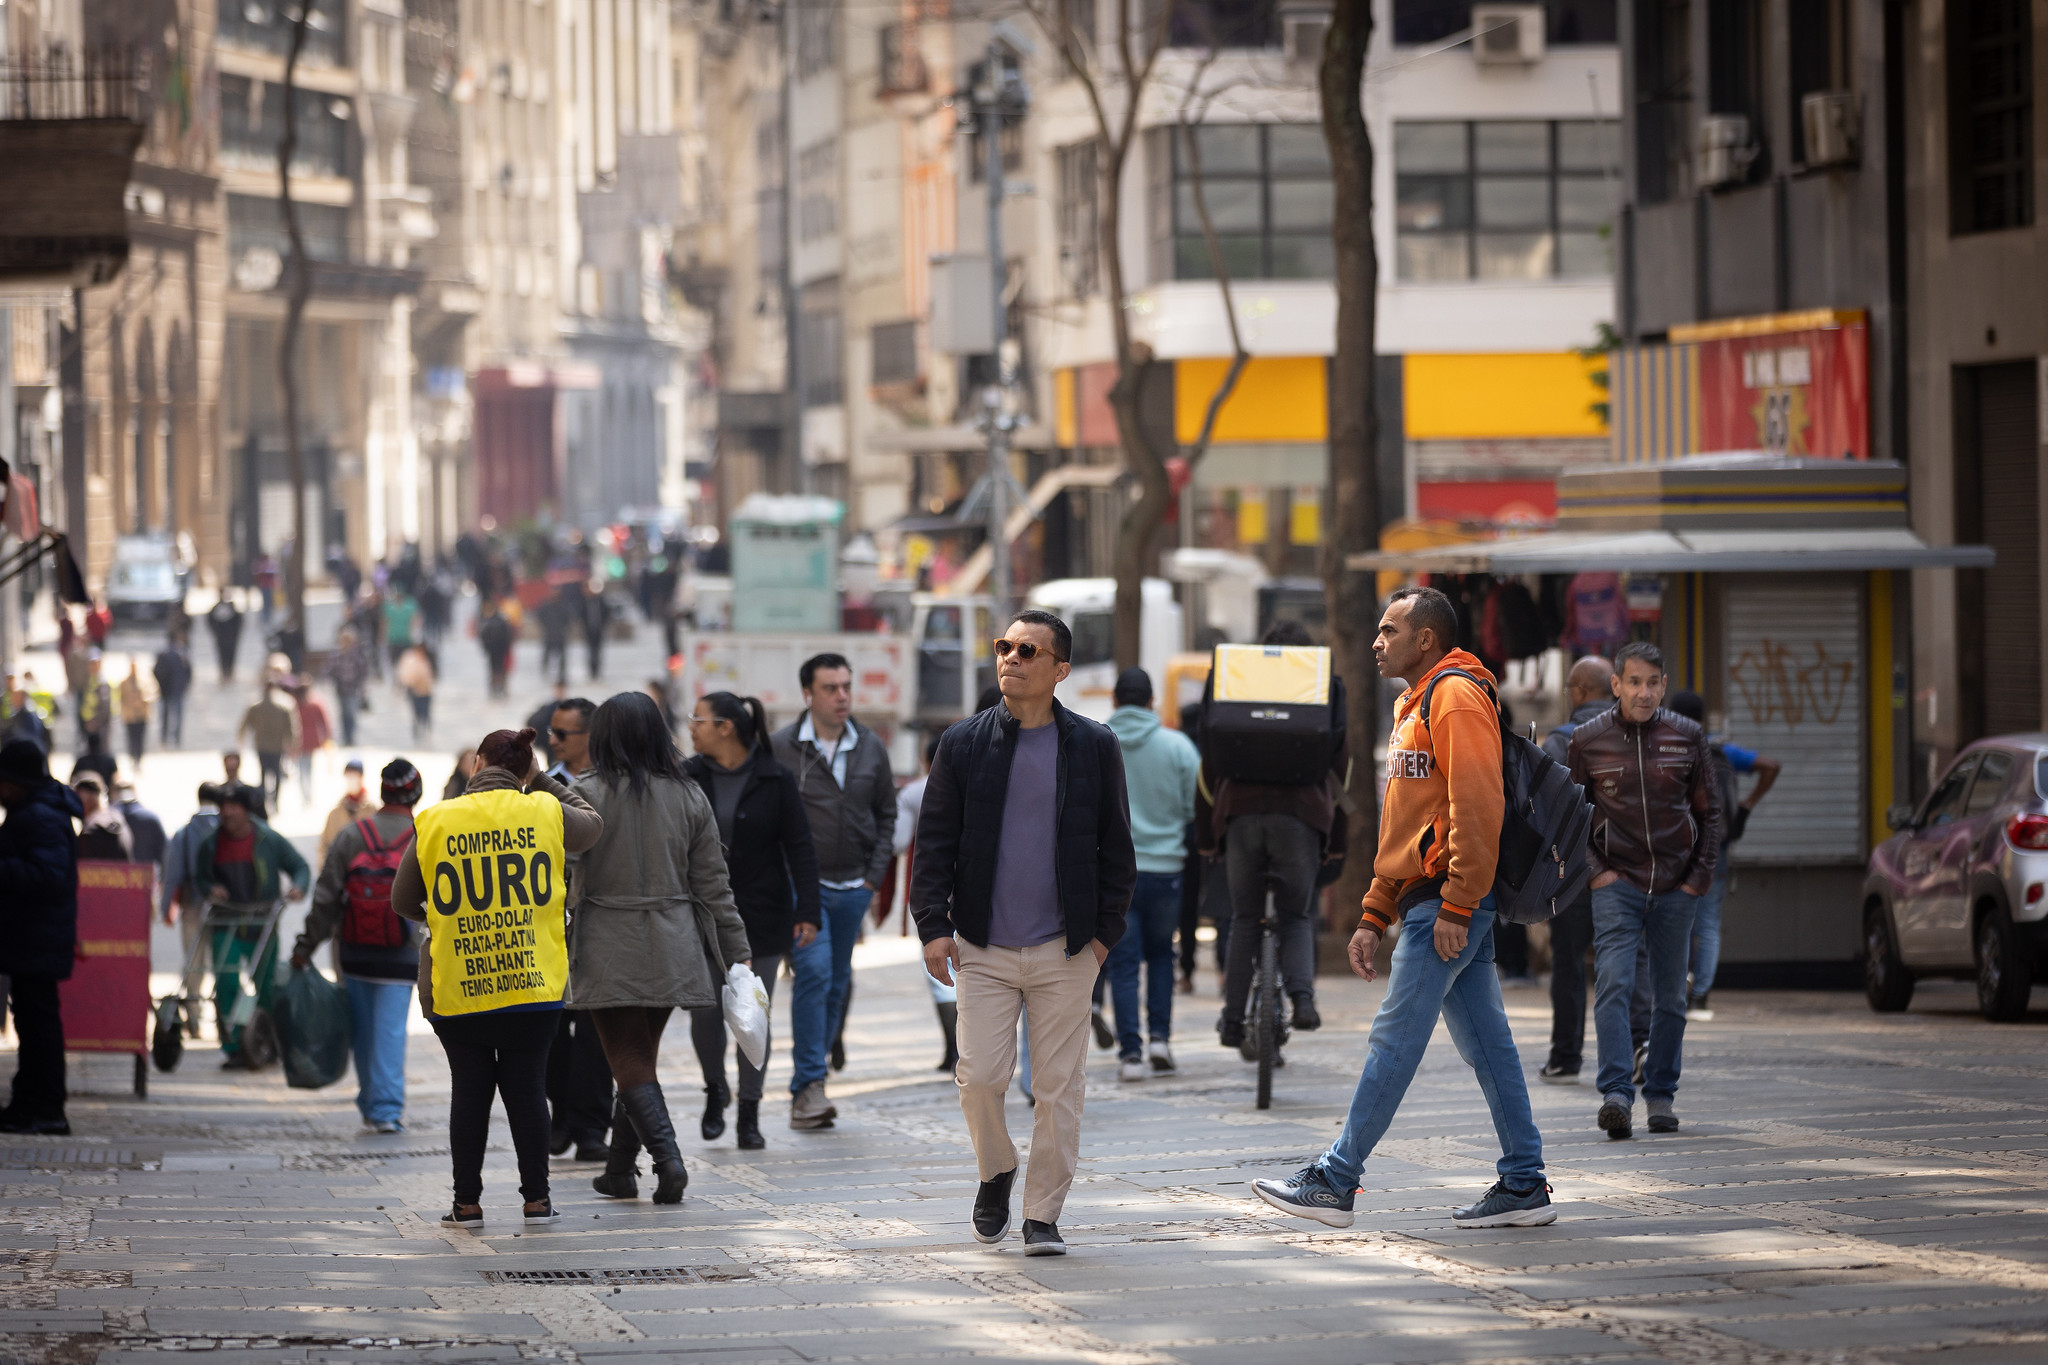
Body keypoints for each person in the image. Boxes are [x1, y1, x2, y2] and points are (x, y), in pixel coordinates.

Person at [1253, 586, 1553, 1230]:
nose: (1375, 642)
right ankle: (1524, 1182)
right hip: (1430, 900)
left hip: (1446, 905)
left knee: (1394, 1038)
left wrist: (1459, 901)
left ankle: (1336, 1179)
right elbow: (1405, 823)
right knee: (1490, 1046)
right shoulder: (1413, 705)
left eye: (1389, 631)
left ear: (1425, 639)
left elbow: (1478, 805)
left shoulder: (1454, 696)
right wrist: (1372, 912)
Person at [913, 609, 1136, 1256]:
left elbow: (1116, 850)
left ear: (1060, 670)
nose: (1010, 657)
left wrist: (1101, 939)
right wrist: (933, 925)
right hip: (982, 945)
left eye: (1028, 650)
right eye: (1005, 646)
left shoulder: (1095, 745)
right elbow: (934, 841)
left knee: (1059, 1087)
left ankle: (1042, 1213)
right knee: (979, 1076)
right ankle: (996, 1169)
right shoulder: (962, 743)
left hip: (1067, 948)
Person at [391, 728, 602, 1227]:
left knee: (469, 1092)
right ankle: (537, 1200)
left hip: (460, 985)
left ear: (477, 762)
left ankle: (466, 1204)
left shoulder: (435, 820)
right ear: (524, 767)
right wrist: (542, 781)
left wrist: (449, 914)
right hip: (534, 983)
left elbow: (402, 901)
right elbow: (592, 826)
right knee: (528, 1090)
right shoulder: (545, 811)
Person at [570, 693, 750, 1204]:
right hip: (674, 942)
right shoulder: (689, 795)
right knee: (640, 1058)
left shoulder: (581, 796)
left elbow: (558, 876)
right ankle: (619, 1172)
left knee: (626, 1058)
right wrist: (737, 950)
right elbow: (715, 884)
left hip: (607, 942)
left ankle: (669, 1162)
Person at [1568, 641, 1720, 1139]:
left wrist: (1697, 879)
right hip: (1617, 882)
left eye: (1653, 682)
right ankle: (1616, 1093)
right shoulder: (1589, 740)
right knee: (1613, 982)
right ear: (1616, 685)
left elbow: (1708, 813)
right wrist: (1596, 872)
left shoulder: (1687, 737)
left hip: (1677, 887)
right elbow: (1572, 818)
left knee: (1672, 996)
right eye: (1634, 682)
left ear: (1663, 685)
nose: (1644, 692)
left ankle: (1660, 1094)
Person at [1201, 621, 1350, 1048]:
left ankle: (1232, 1021)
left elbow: (1208, 763)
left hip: (1239, 815)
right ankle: (1302, 1001)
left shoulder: (1235, 679)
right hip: (1302, 817)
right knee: (1297, 916)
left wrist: (1208, 836)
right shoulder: (1325, 686)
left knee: (1245, 918)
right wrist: (1335, 842)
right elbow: (1342, 771)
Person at [684, 692, 820, 1150]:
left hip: (762, 915)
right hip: (700, 916)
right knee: (704, 1009)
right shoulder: (688, 776)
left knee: (751, 1016)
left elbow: (799, 847)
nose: (690, 727)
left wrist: (808, 912)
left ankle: (749, 1111)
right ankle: (714, 1088)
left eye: (698, 720)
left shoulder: (774, 777)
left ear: (726, 727)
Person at [769, 653, 896, 1130]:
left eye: (846, 686)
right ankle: (808, 1086)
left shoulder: (869, 746)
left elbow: (886, 815)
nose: (841, 696)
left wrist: (871, 878)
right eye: (830, 688)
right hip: (806, 890)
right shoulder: (782, 748)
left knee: (837, 984)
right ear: (808, 694)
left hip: (853, 889)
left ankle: (812, 1080)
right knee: (815, 976)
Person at [292, 759, 426, 1133]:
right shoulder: (424, 835)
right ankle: (385, 1109)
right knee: (389, 1030)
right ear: (416, 793)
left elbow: (325, 897)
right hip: (403, 954)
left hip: (353, 951)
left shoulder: (352, 835)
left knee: (363, 1030)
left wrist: (305, 946)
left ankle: (370, 1102)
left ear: (382, 792)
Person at [1104, 667, 1200, 1082]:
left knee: (1123, 962)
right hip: (1167, 871)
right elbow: (1194, 805)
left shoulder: (1096, 741)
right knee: (1163, 955)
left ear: (1115, 700)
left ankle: (1131, 1055)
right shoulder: (1177, 746)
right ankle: (1160, 1039)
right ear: (1150, 702)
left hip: (1116, 874)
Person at [1666, 690, 1780, 1021]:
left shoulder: (1666, 748)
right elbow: (1771, 765)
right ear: (1703, 718)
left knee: (1676, 919)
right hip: (1716, 848)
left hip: (1676, 849)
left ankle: (1677, 988)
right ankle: (1701, 996)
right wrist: (1746, 805)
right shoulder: (1723, 752)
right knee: (1709, 921)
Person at [539, 696, 613, 1162]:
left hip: (599, 922)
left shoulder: (610, 786)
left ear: (589, 736)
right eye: (552, 732)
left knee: (594, 1031)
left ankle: (591, 1127)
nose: (553, 741)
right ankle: (560, 1114)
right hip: (548, 925)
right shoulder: (543, 788)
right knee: (547, 1027)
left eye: (562, 734)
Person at [1536, 655, 1616, 1085]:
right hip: (1630, 871)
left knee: (1568, 963)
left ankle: (1566, 1056)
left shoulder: (1560, 741)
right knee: (1625, 960)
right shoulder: (1635, 734)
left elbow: (1542, 809)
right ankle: (1636, 1048)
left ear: (1581, 691)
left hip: (1573, 873)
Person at [195, 783, 311, 1067]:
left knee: (266, 985)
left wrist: (298, 887)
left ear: (246, 811)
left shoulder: (268, 839)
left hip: (262, 923)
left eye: (234, 807)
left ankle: (265, 1039)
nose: (227, 813)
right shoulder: (211, 843)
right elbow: (200, 877)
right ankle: (234, 1046)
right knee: (226, 980)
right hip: (226, 922)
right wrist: (211, 888)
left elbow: (300, 866)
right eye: (224, 807)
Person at [0, 739, 82, 1134]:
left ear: (17, 782)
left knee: (39, 1025)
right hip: (30, 937)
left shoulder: (40, 816)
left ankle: (47, 1108)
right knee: (31, 1024)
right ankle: (28, 1104)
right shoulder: (34, 811)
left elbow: (49, 877)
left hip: (38, 937)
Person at [894, 735, 958, 1072]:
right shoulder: (974, 777)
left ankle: (953, 1049)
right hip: (976, 893)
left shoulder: (914, 792)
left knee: (941, 974)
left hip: (934, 893)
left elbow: (899, 840)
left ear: (924, 759)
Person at [237, 685, 299, 816]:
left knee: (263, 774)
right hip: (277, 746)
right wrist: (293, 744)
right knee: (277, 774)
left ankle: (264, 801)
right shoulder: (284, 704)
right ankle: (275, 802)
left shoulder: (256, 705)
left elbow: (246, 723)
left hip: (262, 745)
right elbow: (292, 727)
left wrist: (241, 737)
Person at [321, 758, 374, 864]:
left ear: (361, 777)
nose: (351, 780)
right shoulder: (335, 814)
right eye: (348, 776)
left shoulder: (372, 811)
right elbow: (324, 846)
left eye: (354, 776)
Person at [326, 626, 371, 749]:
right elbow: (329, 670)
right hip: (340, 689)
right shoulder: (336, 654)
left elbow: (363, 670)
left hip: (353, 689)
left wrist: (362, 686)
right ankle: (345, 737)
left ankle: (351, 737)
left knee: (351, 713)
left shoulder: (357, 655)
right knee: (343, 713)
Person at [72, 773, 132, 860]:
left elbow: (84, 869)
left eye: (76, 797)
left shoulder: (90, 830)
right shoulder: (117, 818)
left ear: (87, 797)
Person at [292, 683, 331, 803]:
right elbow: (325, 723)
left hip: (299, 741)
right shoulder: (314, 704)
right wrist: (327, 737)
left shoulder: (295, 706)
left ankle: (306, 793)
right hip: (310, 741)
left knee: (302, 768)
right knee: (307, 768)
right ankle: (307, 794)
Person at [154, 635, 192, 749]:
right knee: (177, 714)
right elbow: (188, 672)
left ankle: (164, 738)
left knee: (165, 715)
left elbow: (156, 671)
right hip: (176, 689)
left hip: (166, 689)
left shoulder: (163, 655)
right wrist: (185, 685)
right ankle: (176, 738)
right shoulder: (181, 655)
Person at [0, 672, 55, 752]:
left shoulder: (26, 715)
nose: (13, 700)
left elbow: (28, 736)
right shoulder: (21, 714)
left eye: (16, 697)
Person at [117, 661, 151, 770]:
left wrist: (142, 700)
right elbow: (120, 698)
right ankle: (132, 757)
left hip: (141, 715)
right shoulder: (124, 683)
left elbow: (152, 693)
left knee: (140, 738)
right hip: (130, 716)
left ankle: (139, 758)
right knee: (131, 738)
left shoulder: (144, 681)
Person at [77, 653, 112, 760]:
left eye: (95, 664)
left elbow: (105, 706)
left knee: (100, 753)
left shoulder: (102, 682)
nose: (92, 667)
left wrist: (95, 722)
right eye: (91, 664)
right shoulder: (88, 680)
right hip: (89, 723)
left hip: (99, 726)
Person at [479, 600, 514, 700]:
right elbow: (509, 636)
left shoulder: (487, 622)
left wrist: (486, 648)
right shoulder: (503, 621)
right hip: (501, 651)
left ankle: (494, 689)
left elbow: (483, 637)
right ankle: (501, 689)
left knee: (493, 670)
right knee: (501, 670)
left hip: (493, 651)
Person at [207, 590, 244, 681]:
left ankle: (230, 672)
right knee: (221, 655)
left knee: (231, 654)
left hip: (231, 636)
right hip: (220, 636)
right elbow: (210, 620)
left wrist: (236, 633)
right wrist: (215, 631)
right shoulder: (215, 608)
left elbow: (239, 621)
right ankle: (223, 672)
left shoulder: (232, 607)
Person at [382, 589, 418, 673]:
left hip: (405, 639)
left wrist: (413, 635)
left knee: (405, 661)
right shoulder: (389, 608)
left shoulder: (408, 607)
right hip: (394, 638)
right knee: (394, 661)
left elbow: (414, 622)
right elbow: (384, 622)